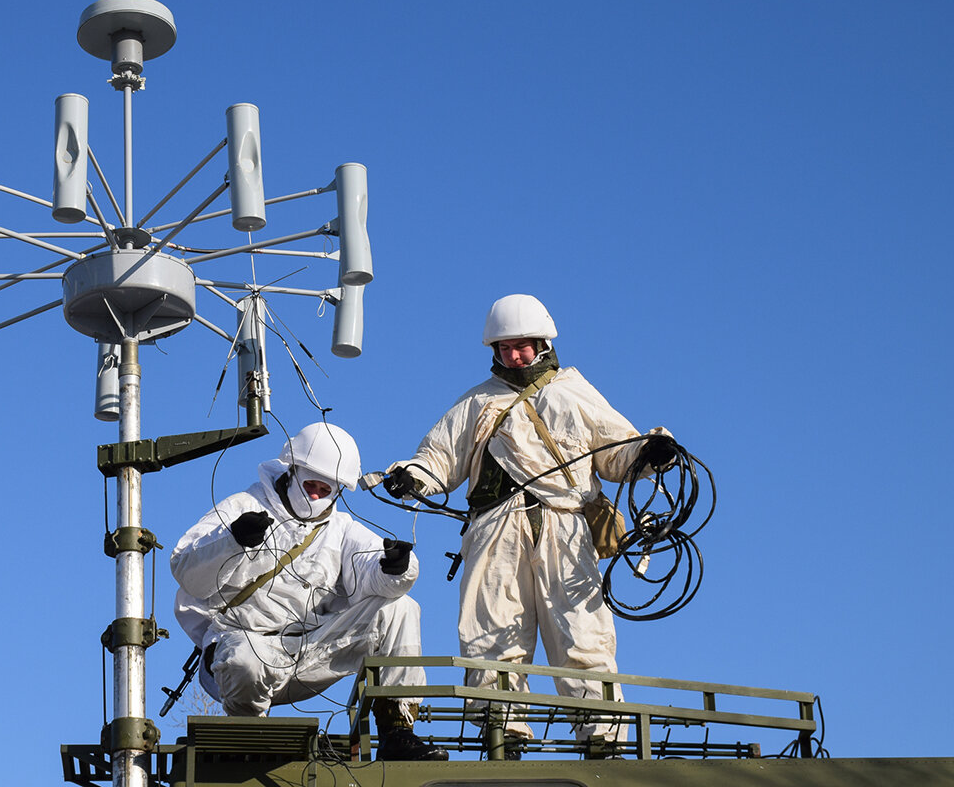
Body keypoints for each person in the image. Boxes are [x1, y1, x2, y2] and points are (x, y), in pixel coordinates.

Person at [382, 294, 675, 755]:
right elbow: (439, 457)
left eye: (521, 345)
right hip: (495, 526)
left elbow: (618, 451)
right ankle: (503, 732)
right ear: (493, 351)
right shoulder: (475, 401)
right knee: (492, 631)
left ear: (541, 342)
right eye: (504, 347)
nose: (514, 355)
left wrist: (650, 452)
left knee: (582, 631)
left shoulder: (573, 391)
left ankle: (604, 738)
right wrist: (412, 476)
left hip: (565, 525)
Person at [170, 422, 448, 761]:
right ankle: (248, 736)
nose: (316, 495)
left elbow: (369, 565)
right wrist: (232, 541)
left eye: (325, 489)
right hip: (242, 651)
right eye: (310, 484)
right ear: (292, 470)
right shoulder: (242, 505)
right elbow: (186, 569)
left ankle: (397, 731)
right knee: (245, 658)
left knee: (399, 607)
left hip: (309, 653)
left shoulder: (341, 529)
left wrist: (395, 567)